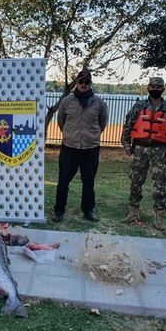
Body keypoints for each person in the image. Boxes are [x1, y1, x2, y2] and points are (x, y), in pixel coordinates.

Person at [121, 77, 166, 231]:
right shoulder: (139, 106)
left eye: (158, 87)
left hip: (160, 151)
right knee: (135, 181)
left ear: (163, 89)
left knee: (160, 184)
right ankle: (133, 212)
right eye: (152, 86)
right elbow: (127, 125)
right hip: (140, 150)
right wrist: (127, 145)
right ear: (148, 87)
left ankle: (159, 216)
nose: (155, 89)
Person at [52, 68, 108, 223]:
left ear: (90, 84)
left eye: (86, 82)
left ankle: (88, 210)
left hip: (90, 148)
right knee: (63, 180)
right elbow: (61, 122)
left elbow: (102, 123)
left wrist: (91, 136)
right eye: (81, 81)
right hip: (70, 147)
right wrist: (71, 135)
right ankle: (59, 211)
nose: (83, 84)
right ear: (77, 83)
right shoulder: (66, 102)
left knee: (89, 181)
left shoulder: (99, 103)